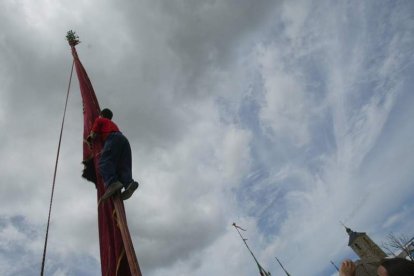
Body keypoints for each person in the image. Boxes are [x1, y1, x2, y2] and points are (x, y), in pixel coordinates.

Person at [86, 108, 138, 201]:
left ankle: (112, 183)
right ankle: (129, 183)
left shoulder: (100, 120)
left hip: (112, 138)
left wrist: (90, 137)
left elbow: (94, 132)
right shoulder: (112, 124)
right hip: (123, 139)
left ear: (101, 115)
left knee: (104, 163)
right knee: (123, 166)